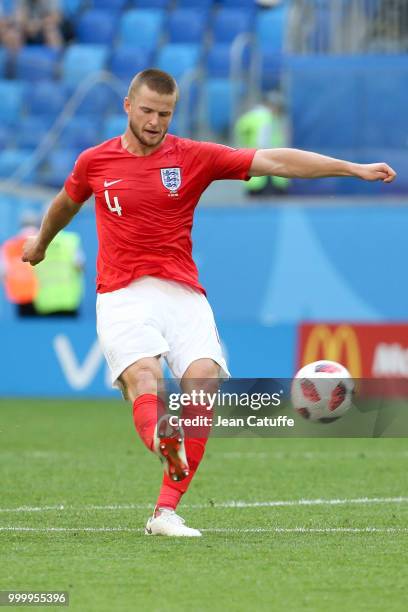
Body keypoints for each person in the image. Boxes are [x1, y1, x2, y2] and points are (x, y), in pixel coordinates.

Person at [22, 69, 396, 537]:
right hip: (121, 293)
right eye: (148, 111)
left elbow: (276, 161)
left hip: (182, 293)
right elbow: (65, 202)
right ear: (127, 106)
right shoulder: (95, 162)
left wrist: (351, 168)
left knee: (201, 381)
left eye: (165, 113)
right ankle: (163, 434)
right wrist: (40, 242)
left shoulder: (192, 156)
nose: (156, 122)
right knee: (145, 378)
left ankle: (166, 511)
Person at [235, 92, 290, 197]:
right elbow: (264, 142)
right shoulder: (267, 118)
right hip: (268, 171)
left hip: (254, 167)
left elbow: (240, 131)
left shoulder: (251, 116)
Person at [33, 229, 84, 317]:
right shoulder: (70, 240)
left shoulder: (35, 242)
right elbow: (79, 265)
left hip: (44, 301)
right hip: (68, 299)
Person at [1, 210, 40, 317]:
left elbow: (3, 272)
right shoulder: (42, 240)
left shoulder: (9, 245)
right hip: (43, 293)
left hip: (20, 294)